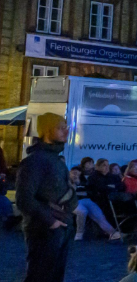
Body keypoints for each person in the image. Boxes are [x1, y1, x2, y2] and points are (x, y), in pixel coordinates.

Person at [16, 113, 75, 282]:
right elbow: (24, 199)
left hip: (60, 226)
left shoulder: (56, 160)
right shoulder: (34, 162)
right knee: (40, 276)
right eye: (60, 128)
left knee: (55, 276)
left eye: (66, 127)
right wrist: (51, 222)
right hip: (43, 229)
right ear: (47, 131)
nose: (66, 131)